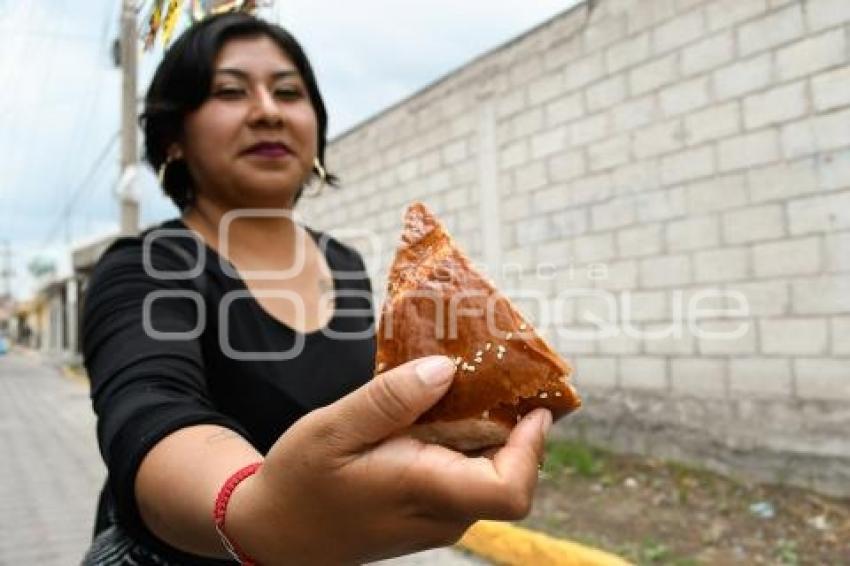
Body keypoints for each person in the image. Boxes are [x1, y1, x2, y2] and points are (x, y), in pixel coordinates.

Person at [81, 12, 552, 565]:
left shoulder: (344, 263)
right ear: (173, 140)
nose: (267, 111)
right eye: (230, 92)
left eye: (288, 92)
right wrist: (254, 510)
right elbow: (149, 410)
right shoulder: (145, 267)